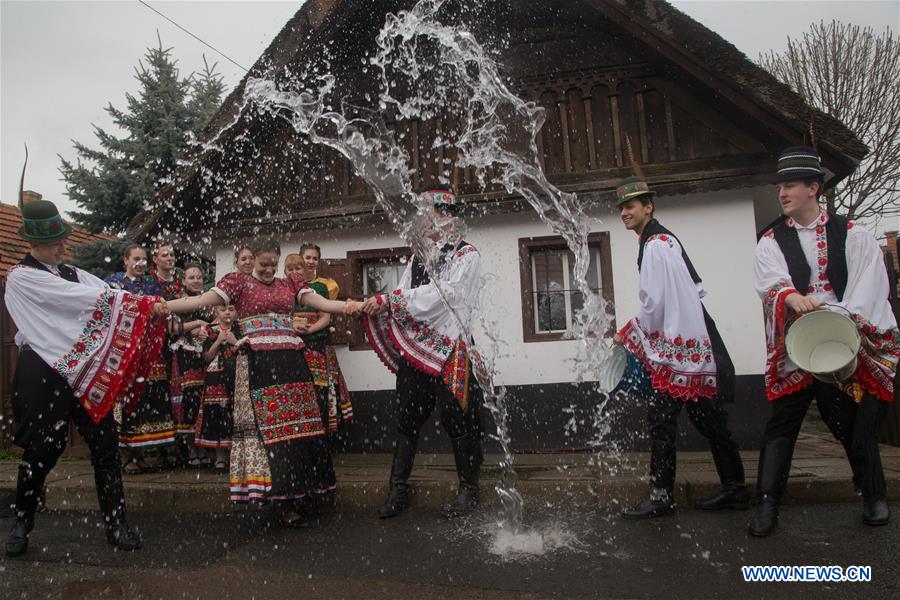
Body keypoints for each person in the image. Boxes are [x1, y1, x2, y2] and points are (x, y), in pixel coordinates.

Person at [5, 199, 168, 557]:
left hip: (84, 369)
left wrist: (146, 306)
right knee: (42, 451)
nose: (64, 246)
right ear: (33, 244)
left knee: (105, 445)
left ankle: (116, 524)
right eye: (55, 242)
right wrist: (135, 304)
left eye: (63, 239)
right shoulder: (20, 278)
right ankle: (22, 523)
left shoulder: (74, 273)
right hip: (43, 370)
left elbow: (108, 294)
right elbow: (84, 300)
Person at [749, 146, 899, 536]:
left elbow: (871, 283)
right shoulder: (771, 239)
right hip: (797, 347)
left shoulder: (852, 234)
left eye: (791, 185)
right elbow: (770, 279)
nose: (782, 192)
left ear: (814, 188)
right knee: (782, 424)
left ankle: (873, 495)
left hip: (838, 345)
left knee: (848, 423)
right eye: (780, 186)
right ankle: (766, 504)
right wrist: (792, 296)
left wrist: (841, 315)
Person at [165, 240, 363, 527]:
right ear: (252, 261)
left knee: (299, 427)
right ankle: (280, 499)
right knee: (269, 430)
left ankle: (303, 492)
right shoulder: (238, 284)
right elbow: (199, 301)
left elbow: (321, 304)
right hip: (258, 364)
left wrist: (349, 306)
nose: (270, 269)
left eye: (274, 264)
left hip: (292, 364)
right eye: (264, 264)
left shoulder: (290, 283)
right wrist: (161, 306)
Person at [613, 176, 747, 520]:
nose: (625, 212)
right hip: (689, 342)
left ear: (649, 207)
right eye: (622, 207)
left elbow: (655, 301)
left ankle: (662, 496)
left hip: (679, 346)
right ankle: (734, 488)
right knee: (707, 420)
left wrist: (628, 332)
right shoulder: (659, 240)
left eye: (632, 206)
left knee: (666, 421)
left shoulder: (657, 244)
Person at [361, 189, 484, 519]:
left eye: (424, 213)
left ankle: (469, 489)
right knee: (407, 419)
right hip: (417, 351)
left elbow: (443, 297)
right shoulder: (417, 258)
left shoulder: (467, 255)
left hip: (452, 350)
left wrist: (392, 301)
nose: (418, 220)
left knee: (458, 419)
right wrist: (381, 304)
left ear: (443, 215)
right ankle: (397, 489)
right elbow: (406, 294)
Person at [106, 244, 176, 473]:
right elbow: (115, 307)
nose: (140, 263)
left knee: (148, 400)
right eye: (135, 258)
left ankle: (141, 452)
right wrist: (145, 306)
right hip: (126, 352)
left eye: (144, 259)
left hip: (150, 351)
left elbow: (164, 310)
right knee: (128, 402)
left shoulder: (152, 284)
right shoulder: (115, 283)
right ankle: (126, 454)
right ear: (125, 261)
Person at [289, 246, 353, 433]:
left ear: (318, 261)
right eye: (306, 258)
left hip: (316, 342)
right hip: (294, 344)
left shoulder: (324, 286)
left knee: (320, 389)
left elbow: (326, 316)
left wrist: (307, 330)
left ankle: (322, 432)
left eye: (314, 258)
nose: (310, 261)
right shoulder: (285, 287)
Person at [172, 264, 210, 467]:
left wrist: (207, 331)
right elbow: (173, 327)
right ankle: (190, 449)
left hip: (204, 353)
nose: (196, 280)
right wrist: (196, 325)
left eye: (199, 277)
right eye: (191, 277)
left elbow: (216, 322)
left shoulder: (209, 300)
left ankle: (203, 446)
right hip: (184, 352)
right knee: (188, 398)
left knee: (203, 399)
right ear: (184, 280)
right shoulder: (179, 300)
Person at [195, 304, 240, 472]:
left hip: (236, 373)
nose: (227, 312)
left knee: (235, 411)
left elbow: (246, 350)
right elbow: (206, 357)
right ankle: (220, 457)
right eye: (223, 309)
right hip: (216, 376)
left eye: (231, 309)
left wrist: (234, 341)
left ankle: (235, 455)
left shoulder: (241, 327)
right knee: (217, 411)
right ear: (215, 312)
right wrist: (219, 341)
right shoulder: (208, 330)